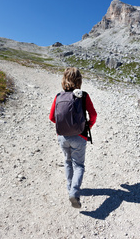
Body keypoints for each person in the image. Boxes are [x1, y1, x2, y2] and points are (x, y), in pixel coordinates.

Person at [49, 67, 97, 208]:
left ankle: (70, 188)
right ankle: (74, 192)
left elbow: (52, 117)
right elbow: (93, 115)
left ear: (64, 80)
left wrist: (65, 125)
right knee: (79, 165)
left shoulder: (59, 96)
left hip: (63, 136)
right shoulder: (84, 95)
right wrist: (87, 126)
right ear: (79, 80)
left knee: (67, 162)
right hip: (80, 136)